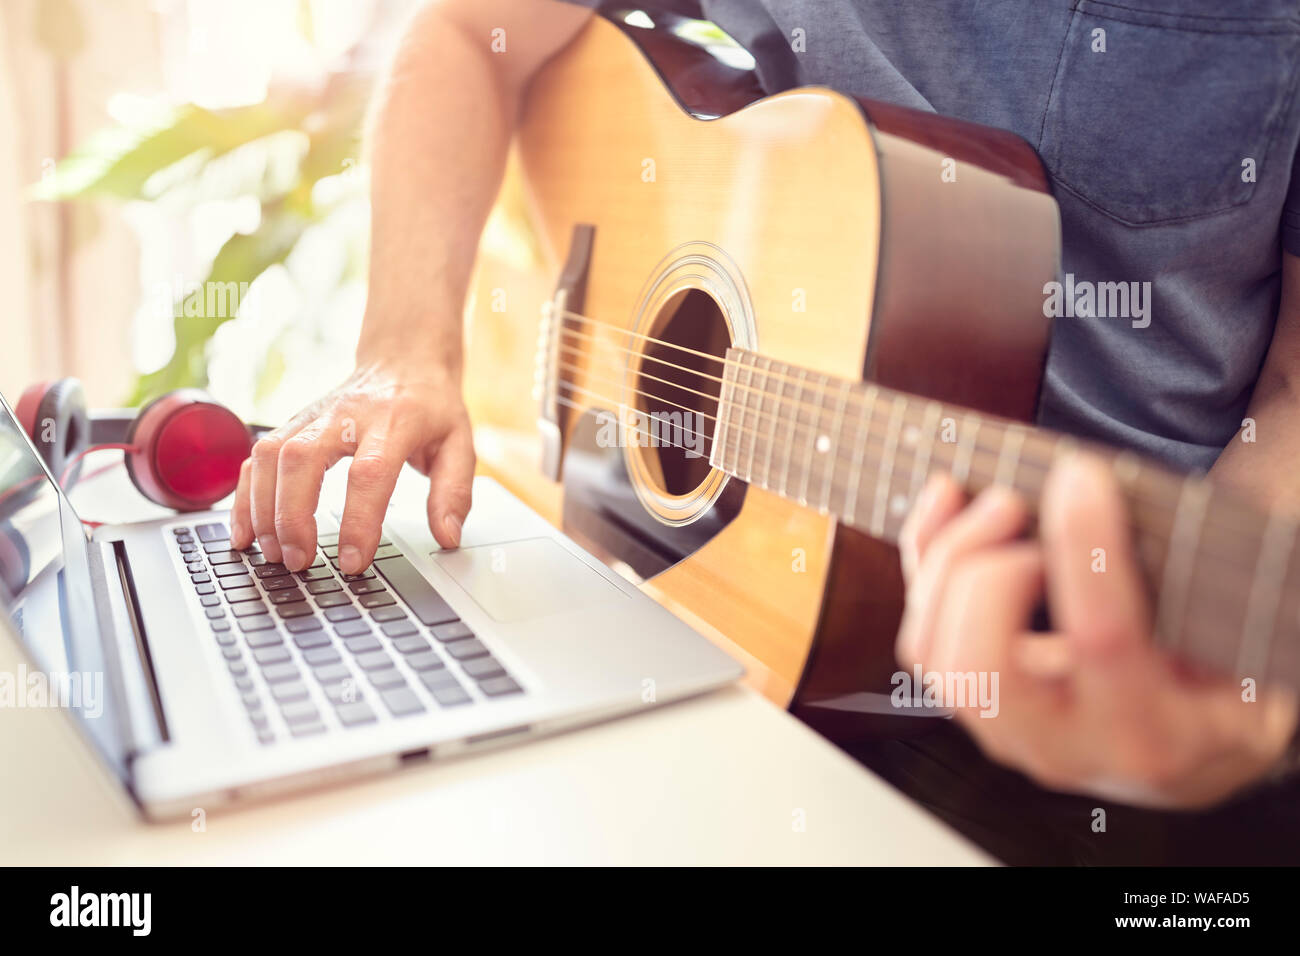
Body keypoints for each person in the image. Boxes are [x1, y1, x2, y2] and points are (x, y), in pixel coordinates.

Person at [228, 0, 1300, 861]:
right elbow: (469, 33)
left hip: (1127, 673)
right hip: (668, 578)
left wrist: (1215, 713)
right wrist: (406, 344)